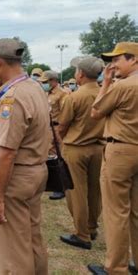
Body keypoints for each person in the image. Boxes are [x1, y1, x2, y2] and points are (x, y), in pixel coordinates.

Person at [0, 39, 50, 274]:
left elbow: (7, 154)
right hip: (34, 171)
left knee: (12, 250)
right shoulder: (33, 87)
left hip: (15, 177)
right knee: (31, 239)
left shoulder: (13, 99)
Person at [87, 42, 138, 275]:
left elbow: (96, 112)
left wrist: (106, 83)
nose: (112, 65)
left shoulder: (124, 85)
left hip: (121, 150)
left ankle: (116, 267)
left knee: (116, 211)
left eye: (117, 60)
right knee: (136, 210)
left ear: (134, 59)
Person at [57, 56, 105, 250]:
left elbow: (62, 126)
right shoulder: (105, 93)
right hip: (99, 148)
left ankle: (81, 234)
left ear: (81, 74)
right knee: (95, 191)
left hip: (76, 149)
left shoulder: (74, 97)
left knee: (76, 193)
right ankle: (92, 227)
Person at [39, 70, 68, 201]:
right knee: (50, 156)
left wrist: (60, 131)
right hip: (48, 128)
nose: (43, 84)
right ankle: (53, 184)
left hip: (57, 128)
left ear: (53, 81)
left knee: (59, 157)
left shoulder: (62, 94)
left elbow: (65, 113)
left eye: (46, 82)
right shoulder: (46, 93)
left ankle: (60, 187)